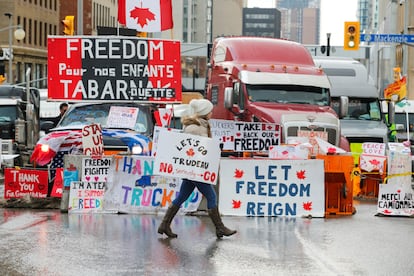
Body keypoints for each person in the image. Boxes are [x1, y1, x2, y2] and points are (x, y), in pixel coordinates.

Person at [158, 99, 237, 239]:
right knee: (211, 196)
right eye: (210, 111)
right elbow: (195, 150)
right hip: (196, 170)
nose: (212, 113)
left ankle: (165, 225)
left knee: (182, 196)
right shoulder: (196, 128)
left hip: (194, 170)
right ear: (205, 113)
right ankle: (220, 228)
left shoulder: (198, 126)